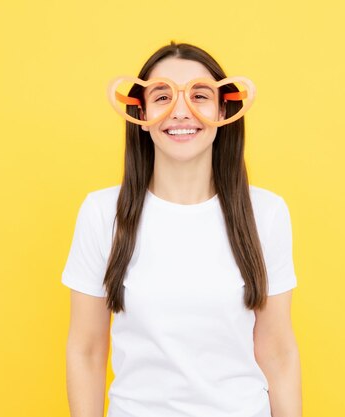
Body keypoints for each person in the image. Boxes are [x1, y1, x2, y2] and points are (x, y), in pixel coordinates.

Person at [62, 41, 302, 417]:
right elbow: (86, 349)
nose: (181, 111)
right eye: (162, 97)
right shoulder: (101, 212)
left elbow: (277, 350)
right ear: (140, 113)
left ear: (223, 110)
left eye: (199, 96)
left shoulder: (266, 213)